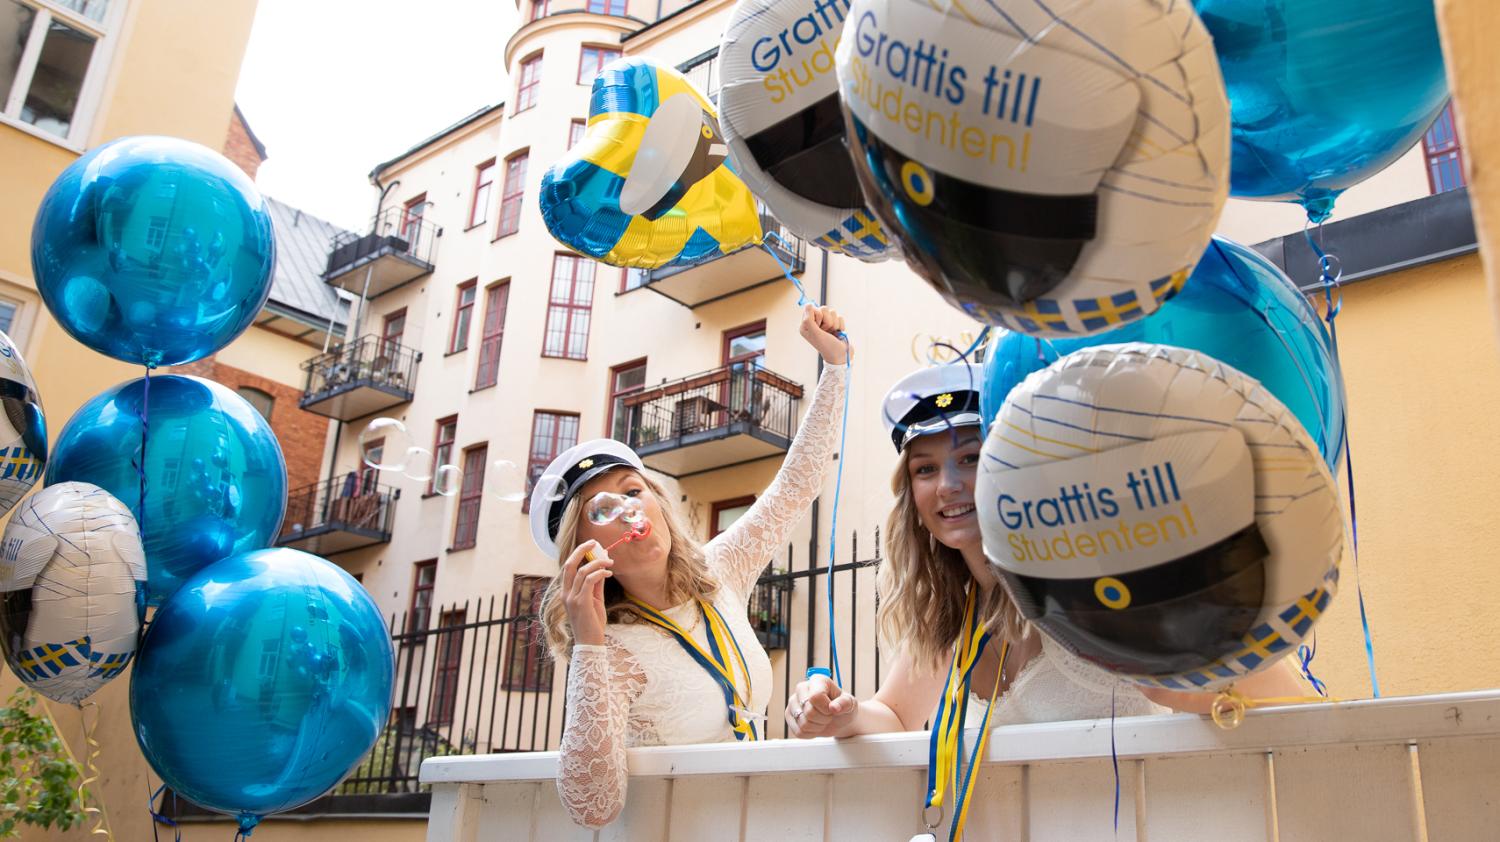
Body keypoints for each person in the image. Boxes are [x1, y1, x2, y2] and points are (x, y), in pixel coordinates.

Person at [784, 363, 1309, 742]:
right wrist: (840, 712)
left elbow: (1286, 699)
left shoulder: (1093, 575)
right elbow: (897, 716)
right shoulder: (952, 616)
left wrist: (1175, 685)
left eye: (970, 458)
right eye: (925, 469)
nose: (946, 485)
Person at [535, 304, 848, 829]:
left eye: (633, 491)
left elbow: (796, 485)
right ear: (585, 550)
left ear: (658, 503)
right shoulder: (611, 651)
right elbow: (592, 807)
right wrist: (588, 644)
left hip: (762, 821)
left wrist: (834, 368)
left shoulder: (720, 569)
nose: (628, 510)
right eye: (601, 510)